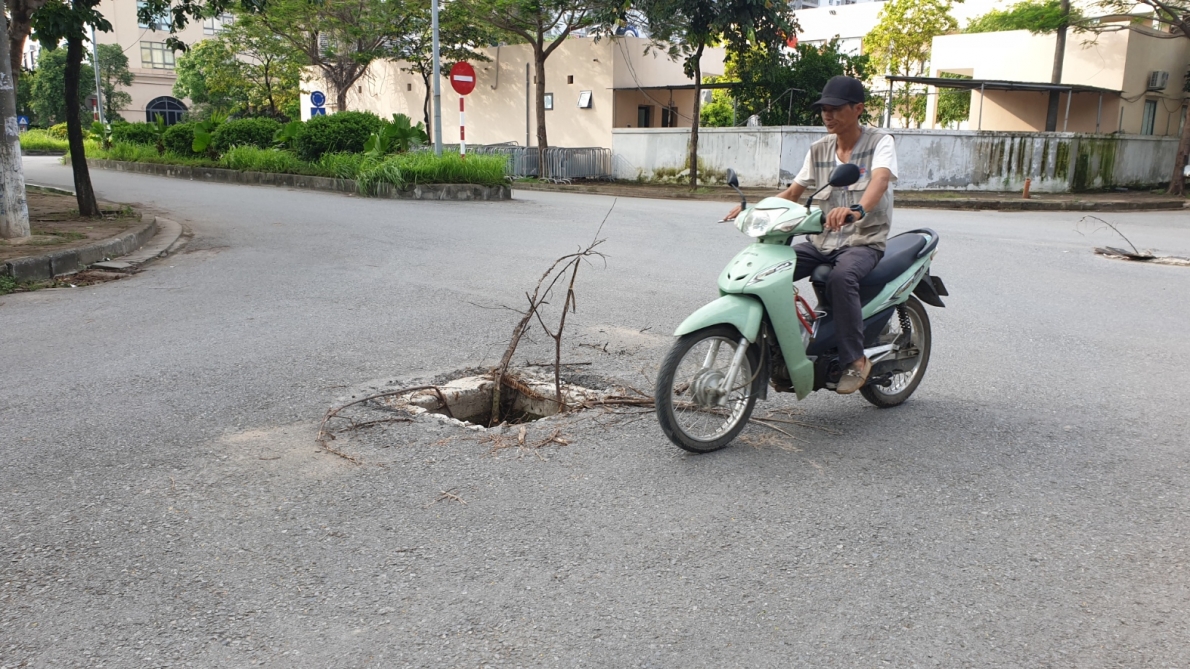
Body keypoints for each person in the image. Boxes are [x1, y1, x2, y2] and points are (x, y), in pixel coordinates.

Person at [725, 75, 898, 394]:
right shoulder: (818, 149)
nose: (827, 115)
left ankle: (856, 360)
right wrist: (753, 208)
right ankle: (783, 349)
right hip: (822, 242)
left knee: (841, 278)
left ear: (858, 108)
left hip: (862, 241)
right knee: (768, 268)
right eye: (823, 109)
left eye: (835, 108)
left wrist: (857, 209)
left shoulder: (879, 142)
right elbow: (793, 192)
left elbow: (881, 180)